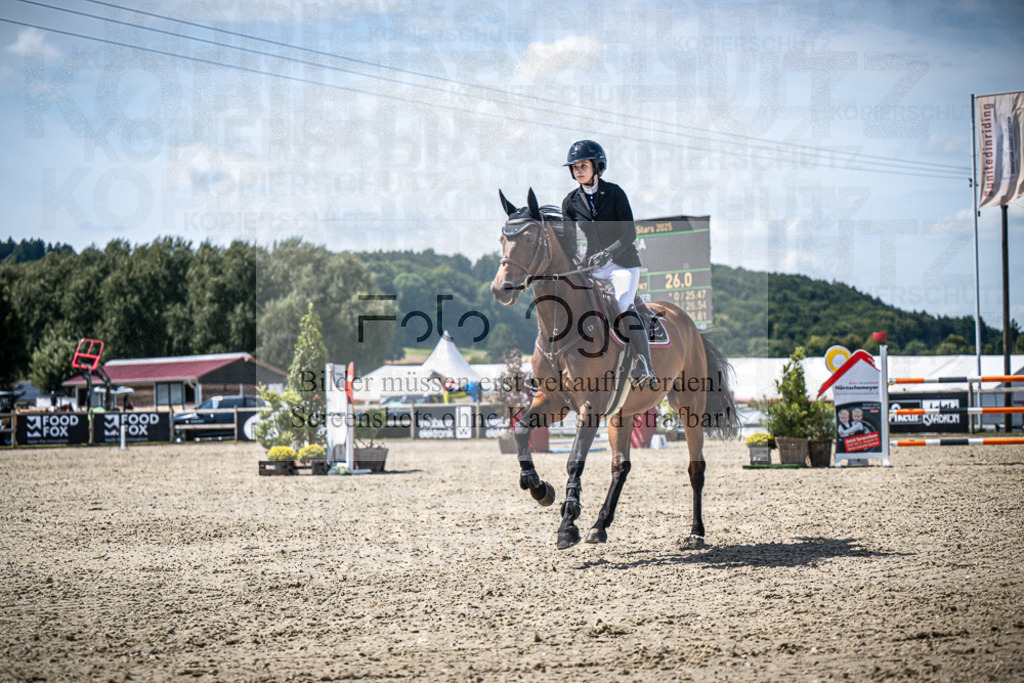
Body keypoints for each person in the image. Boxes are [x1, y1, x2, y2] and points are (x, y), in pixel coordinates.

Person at [560, 139, 656, 387]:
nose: (578, 170)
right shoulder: (570, 203)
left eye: (583, 165)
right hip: (593, 267)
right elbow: (570, 244)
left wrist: (607, 253)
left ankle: (644, 363)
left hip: (623, 263)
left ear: (597, 166)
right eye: (574, 167)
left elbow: (630, 233)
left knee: (623, 303)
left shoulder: (614, 193)